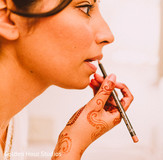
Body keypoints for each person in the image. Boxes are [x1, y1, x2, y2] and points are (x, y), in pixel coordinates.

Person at [0, 0, 134, 159]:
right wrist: (72, 147)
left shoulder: (16, 120)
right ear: (7, 18)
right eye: (85, 8)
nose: (108, 36)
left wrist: (74, 137)